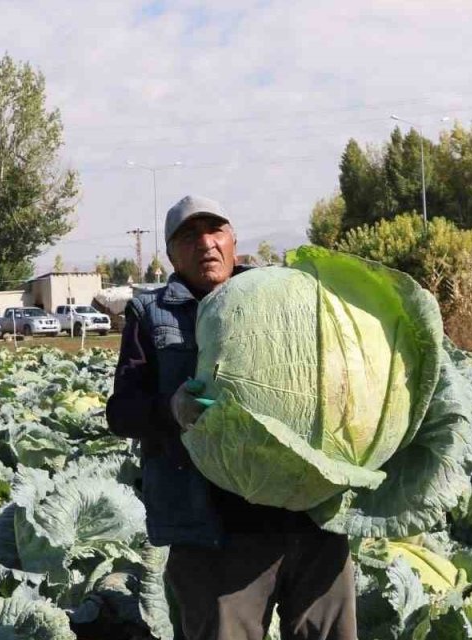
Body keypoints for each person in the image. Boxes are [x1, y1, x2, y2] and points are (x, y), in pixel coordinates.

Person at [106, 195, 357, 640]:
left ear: (233, 240)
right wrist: (171, 410)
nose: (206, 243)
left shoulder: (282, 294)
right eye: (189, 235)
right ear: (171, 253)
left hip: (311, 513)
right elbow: (122, 412)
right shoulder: (151, 313)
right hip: (215, 530)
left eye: (215, 231)